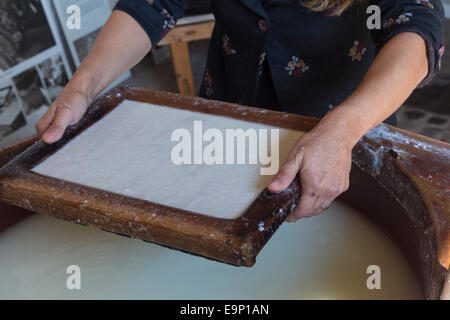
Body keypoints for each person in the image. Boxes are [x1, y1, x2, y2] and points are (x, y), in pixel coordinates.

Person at [35, 0, 445, 221]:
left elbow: (417, 27)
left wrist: (340, 131)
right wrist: (82, 88)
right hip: (229, 119)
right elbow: (152, 4)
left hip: (344, 128)